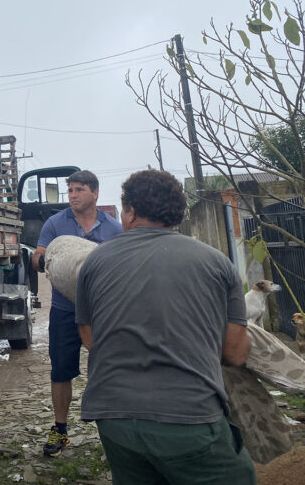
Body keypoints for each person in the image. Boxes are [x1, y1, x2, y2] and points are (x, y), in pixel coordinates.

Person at [76, 169, 255, 484]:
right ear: (177, 213)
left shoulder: (95, 262)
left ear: (130, 212)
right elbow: (235, 353)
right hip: (190, 418)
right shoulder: (217, 263)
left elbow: (90, 337)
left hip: (114, 418)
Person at [30, 169, 122, 457]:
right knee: (61, 371)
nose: (72, 196)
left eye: (78, 190)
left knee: (112, 369)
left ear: (94, 193)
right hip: (64, 309)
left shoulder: (114, 229)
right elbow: (37, 258)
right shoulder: (56, 223)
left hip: (103, 312)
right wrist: (48, 261)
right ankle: (60, 430)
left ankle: (115, 431)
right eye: (69, 191)